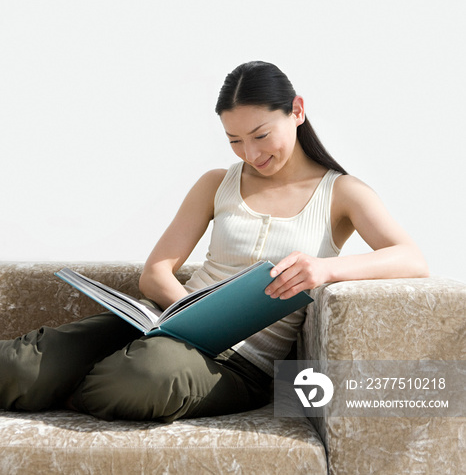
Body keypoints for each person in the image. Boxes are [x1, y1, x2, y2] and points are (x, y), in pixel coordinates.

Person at [0, 61, 428, 422]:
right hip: (165, 325)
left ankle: (63, 388)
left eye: (260, 135)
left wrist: (325, 269)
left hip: (238, 367)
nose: (250, 153)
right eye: (235, 141)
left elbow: (411, 258)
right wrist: (187, 316)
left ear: (297, 110)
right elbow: (156, 273)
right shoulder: (216, 183)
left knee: (146, 376)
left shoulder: (342, 193)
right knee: (22, 365)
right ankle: (52, 380)